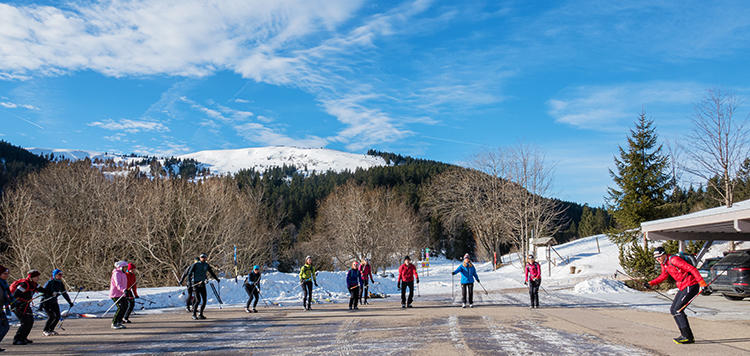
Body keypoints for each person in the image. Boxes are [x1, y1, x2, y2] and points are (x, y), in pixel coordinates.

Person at [645, 246, 707, 344]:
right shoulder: (664, 264)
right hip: (683, 286)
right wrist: (651, 283)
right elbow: (663, 276)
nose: (658, 259)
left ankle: (687, 336)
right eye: (656, 257)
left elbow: (691, 269)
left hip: (690, 285)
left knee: (678, 310)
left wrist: (702, 283)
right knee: (673, 309)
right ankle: (685, 335)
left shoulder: (674, 260)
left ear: (664, 254)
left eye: (659, 256)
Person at [12, 269, 47, 345]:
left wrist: (52, 292)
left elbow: (41, 289)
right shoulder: (24, 284)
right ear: (32, 277)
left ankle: (23, 338)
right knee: (25, 322)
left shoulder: (33, 284)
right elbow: (15, 295)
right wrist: (17, 304)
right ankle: (17, 339)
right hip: (19, 306)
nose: (38, 278)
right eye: (36, 277)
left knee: (30, 321)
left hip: (26, 305)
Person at [182, 253, 219, 320]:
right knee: (198, 300)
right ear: (200, 258)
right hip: (195, 283)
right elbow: (189, 273)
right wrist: (188, 282)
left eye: (204, 257)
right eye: (202, 257)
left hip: (202, 283)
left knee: (204, 300)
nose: (203, 258)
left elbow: (211, 272)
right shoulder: (195, 265)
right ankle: (193, 314)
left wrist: (216, 279)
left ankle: (200, 314)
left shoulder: (206, 265)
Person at [41, 269, 73, 336]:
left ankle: (51, 329)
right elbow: (43, 294)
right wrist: (41, 305)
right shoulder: (49, 283)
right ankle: (45, 330)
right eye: (59, 274)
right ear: (55, 275)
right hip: (47, 302)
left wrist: (69, 302)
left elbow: (64, 293)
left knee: (57, 316)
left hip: (54, 302)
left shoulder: (60, 283)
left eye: (61, 274)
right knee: (51, 316)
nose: (61, 276)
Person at [109, 261, 129, 330]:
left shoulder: (123, 274)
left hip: (122, 294)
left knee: (125, 306)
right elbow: (118, 284)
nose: (126, 269)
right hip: (115, 294)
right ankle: (114, 322)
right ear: (121, 267)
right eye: (125, 267)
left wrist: (126, 290)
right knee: (120, 308)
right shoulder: (116, 274)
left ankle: (119, 322)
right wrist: (123, 290)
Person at [0, 266, 12, 351]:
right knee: (1, 328)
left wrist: (7, 300)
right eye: (4, 273)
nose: (6, 275)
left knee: (5, 327)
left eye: (7, 274)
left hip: (0, 309)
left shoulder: (4, 283)